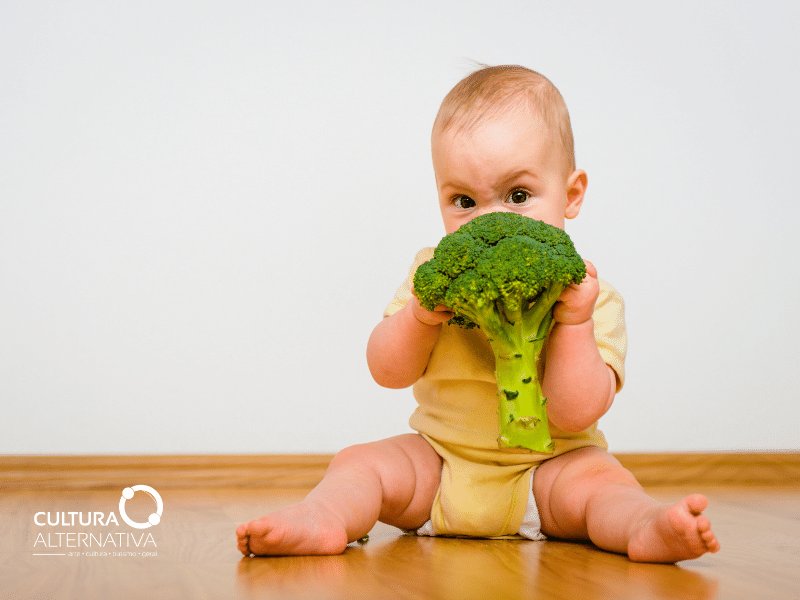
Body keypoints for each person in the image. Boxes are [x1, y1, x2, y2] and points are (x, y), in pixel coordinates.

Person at [236, 65, 720, 563]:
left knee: (603, 484)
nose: (490, 221)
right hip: (441, 465)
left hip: (550, 471)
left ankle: (645, 526)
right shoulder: (433, 276)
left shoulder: (591, 296)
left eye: (517, 196)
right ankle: (324, 518)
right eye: (463, 201)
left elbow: (579, 412)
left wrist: (573, 324)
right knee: (361, 464)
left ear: (571, 194)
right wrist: (420, 318)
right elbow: (386, 370)